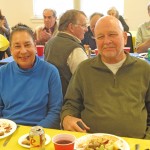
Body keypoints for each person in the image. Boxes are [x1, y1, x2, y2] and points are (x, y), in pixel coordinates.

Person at [61, 16, 150, 139]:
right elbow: (71, 104)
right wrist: (66, 117)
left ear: (124, 38)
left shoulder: (144, 69)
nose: (107, 41)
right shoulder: (84, 69)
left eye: (112, 34)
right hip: (92, 144)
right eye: (101, 37)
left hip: (136, 145)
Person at [0, 23, 63, 129]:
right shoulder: (2, 73)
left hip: (41, 131)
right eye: (17, 46)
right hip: (9, 131)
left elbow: (55, 111)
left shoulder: (50, 72)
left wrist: (34, 133)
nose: (23, 51)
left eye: (27, 44)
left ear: (35, 45)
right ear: (11, 49)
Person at [44, 9, 88, 97]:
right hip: (69, 102)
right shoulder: (75, 50)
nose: (86, 29)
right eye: (83, 25)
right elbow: (86, 82)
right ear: (71, 27)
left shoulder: (50, 43)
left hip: (51, 98)